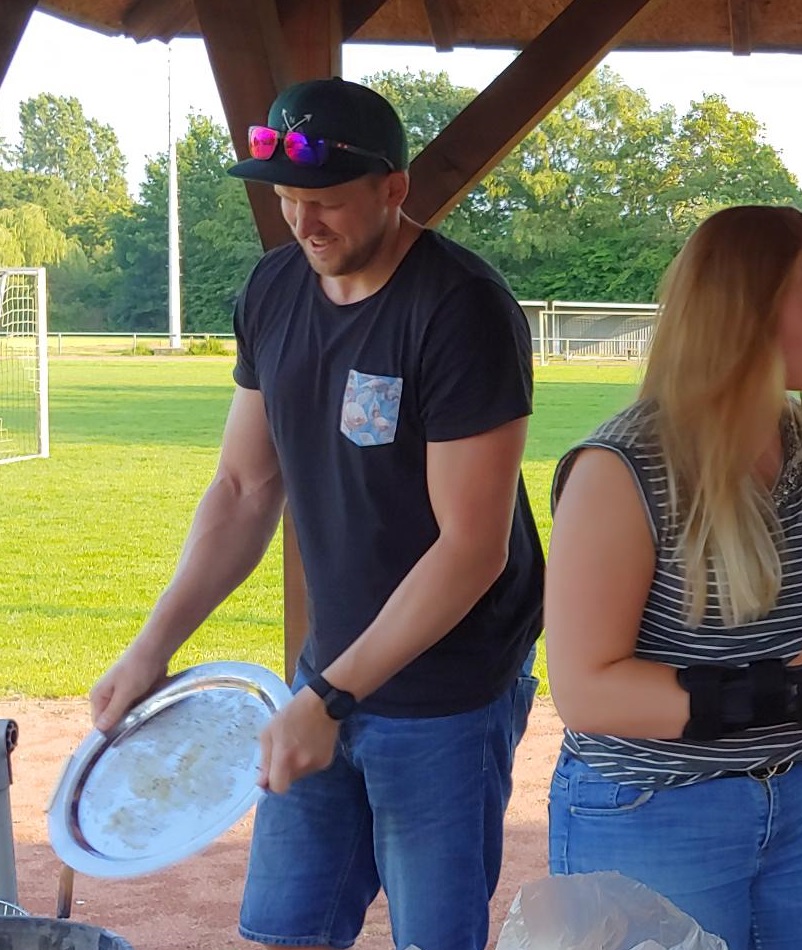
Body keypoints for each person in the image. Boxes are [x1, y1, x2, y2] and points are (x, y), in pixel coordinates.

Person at [87, 78, 544, 950]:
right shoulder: (273, 290)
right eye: (288, 199)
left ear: (393, 189)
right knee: (284, 932)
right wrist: (152, 646)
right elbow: (242, 488)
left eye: (327, 200)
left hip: (449, 693)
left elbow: (472, 549)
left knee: (434, 938)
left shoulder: (461, 310)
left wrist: (329, 697)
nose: (304, 222)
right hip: (327, 673)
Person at [543, 204, 802, 949]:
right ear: (746, 314)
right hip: (651, 806)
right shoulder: (620, 469)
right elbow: (586, 690)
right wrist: (796, 692)